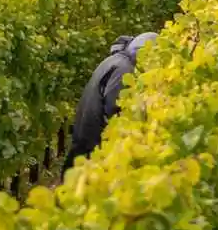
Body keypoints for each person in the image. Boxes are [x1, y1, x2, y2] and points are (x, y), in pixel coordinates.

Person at [64, 33, 160, 170]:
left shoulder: (114, 60)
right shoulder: (124, 69)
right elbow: (114, 108)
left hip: (86, 129)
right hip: (95, 137)